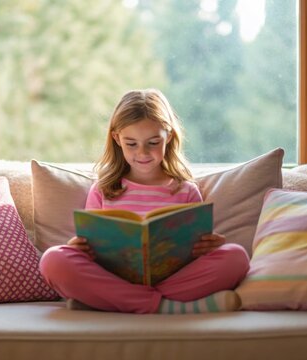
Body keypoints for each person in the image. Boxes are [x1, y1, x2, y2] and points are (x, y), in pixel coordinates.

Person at [39, 89, 250, 314]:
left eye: (153, 142)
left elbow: (196, 249)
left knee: (236, 257)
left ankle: (108, 303)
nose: (143, 152)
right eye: (132, 144)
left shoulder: (185, 191)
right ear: (116, 138)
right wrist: (78, 248)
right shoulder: (104, 190)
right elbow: (89, 243)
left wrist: (208, 246)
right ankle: (165, 307)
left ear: (168, 137)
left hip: (171, 279)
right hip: (113, 278)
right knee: (53, 260)